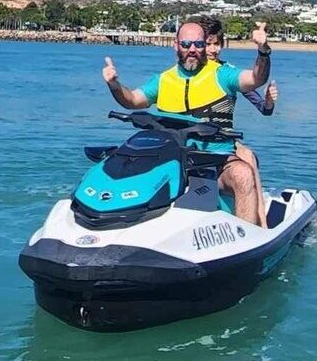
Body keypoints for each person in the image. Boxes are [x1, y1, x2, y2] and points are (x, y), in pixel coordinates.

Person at [101, 17, 272, 227]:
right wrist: (115, 85)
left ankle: (248, 237)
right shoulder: (163, 80)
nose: (192, 49)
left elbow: (256, 78)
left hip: (215, 162)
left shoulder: (222, 74)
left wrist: (263, 51)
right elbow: (133, 100)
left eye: (198, 44)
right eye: (186, 44)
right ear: (176, 45)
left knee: (243, 173)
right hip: (170, 160)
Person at [204, 21, 279, 227]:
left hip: (222, 142)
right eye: (208, 44)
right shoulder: (185, 74)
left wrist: (269, 101)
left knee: (248, 157)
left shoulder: (228, 73)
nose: (213, 50)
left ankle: (261, 225)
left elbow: (264, 109)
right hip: (193, 141)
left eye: (217, 44)